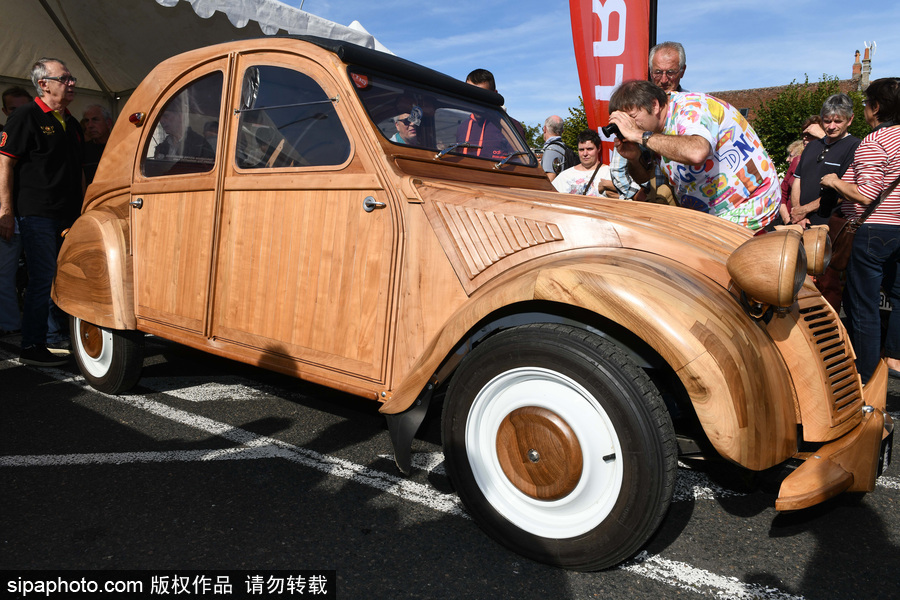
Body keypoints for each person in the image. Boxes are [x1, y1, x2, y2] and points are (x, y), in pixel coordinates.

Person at [608, 79, 780, 231]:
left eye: (632, 117)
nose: (629, 125)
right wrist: (633, 159)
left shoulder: (692, 107)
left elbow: (697, 151)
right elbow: (644, 178)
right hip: (710, 216)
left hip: (751, 204)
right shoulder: (652, 129)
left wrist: (639, 135)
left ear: (654, 105)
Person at [0, 58, 84, 366]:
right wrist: (5, 210)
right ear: (44, 84)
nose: (71, 83)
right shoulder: (25, 115)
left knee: (68, 277)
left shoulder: (72, 123)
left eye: (72, 78)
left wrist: (85, 207)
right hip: (37, 214)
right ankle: (32, 346)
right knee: (42, 279)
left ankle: (56, 337)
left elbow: (78, 172)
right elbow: (5, 162)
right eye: (65, 78)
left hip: (70, 215)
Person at [820, 77, 900, 384]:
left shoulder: (874, 142)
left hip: (873, 231)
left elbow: (867, 194)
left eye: (867, 104)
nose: (865, 109)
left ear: (876, 107)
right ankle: (894, 358)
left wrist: (835, 182)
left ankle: (865, 376)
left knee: (863, 305)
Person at [609, 41, 688, 201]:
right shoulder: (636, 108)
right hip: (654, 201)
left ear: (682, 71)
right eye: (658, 72)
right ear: (650, 71)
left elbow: (698, 153)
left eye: (671, 72)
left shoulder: (691, 107)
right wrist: (640, 196)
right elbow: (618, 170)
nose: (664, 80)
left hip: (691, 203)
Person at [790, 95, 860, 229]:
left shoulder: (855, 147)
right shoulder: (811, 146)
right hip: (798, 222)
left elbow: (844, 191)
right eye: (827, 121)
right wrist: (797, 212)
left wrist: (804, 210)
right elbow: (798, 180)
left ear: (850, 120)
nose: (831, 126)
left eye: (838, 121)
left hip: (829, 225)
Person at [0, 87, 32, 335]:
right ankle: (10, 325)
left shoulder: (41, 135)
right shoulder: (2, 139)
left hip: (38, 218)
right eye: (13, 109)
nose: (19, 114)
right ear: (4, 111)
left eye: (23, 108)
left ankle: (46, 329)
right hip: (10, 218)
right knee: (5, 275)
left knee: (44, 277)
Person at [552, 130, 617, 197]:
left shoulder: (609, 173)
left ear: (599, 148)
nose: (585, 154)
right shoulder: (565, 176)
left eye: (589, 149)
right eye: (581, 150)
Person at [82, 104, 113, 184]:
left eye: (95, 120)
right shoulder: (83, 150)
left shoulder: (121, 146)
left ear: (108, 123)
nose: (90, 125)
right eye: (87, 121)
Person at [540, 115, 567, 181]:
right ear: (562, 131)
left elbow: (550, 179)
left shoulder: (551, 150)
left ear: (544, 129)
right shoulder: (564, 147)